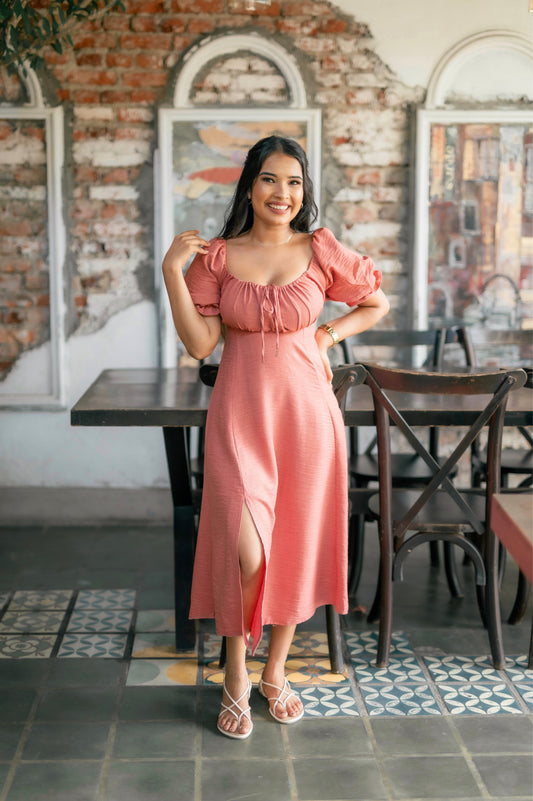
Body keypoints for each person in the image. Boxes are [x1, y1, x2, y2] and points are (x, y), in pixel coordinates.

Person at [162, 135, 389, 739]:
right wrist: (171, 275)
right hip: (238, 414)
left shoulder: (319, 249)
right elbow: (201, 345)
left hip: (308, 418)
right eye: (269, 180)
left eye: (294, 182)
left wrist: (325, 337)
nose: (282, 192)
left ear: (303, 190)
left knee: (291, 544)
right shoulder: (217, 255)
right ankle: (236, 671)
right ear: (250, 186)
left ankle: (276, 672)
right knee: (247, 550)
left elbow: (375, 301)